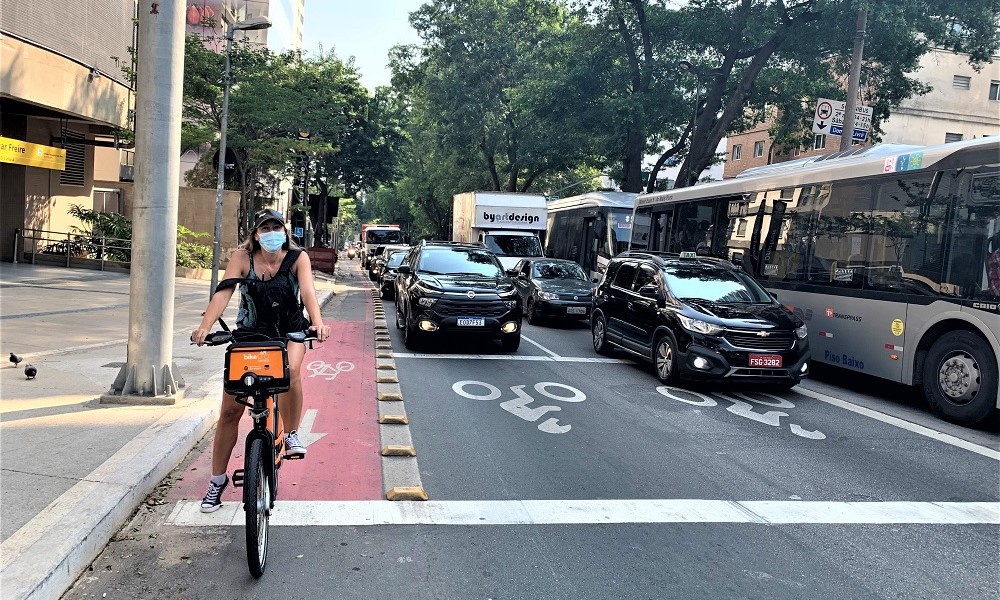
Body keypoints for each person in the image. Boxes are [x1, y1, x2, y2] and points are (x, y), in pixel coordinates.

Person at [191, 208, 331, 513]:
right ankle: (216, 482)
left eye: (276, 227)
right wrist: (205, 325)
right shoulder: (242, 258)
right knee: (230, 411)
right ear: (255, 233)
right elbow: (223, 292)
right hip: (250, 335)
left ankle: (291, 433)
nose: (271, 232)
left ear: (285, 231)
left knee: (291, 371)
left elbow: (307, 291)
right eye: (265, 227)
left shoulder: (298, 258)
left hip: (289, 332)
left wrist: (317, 322)